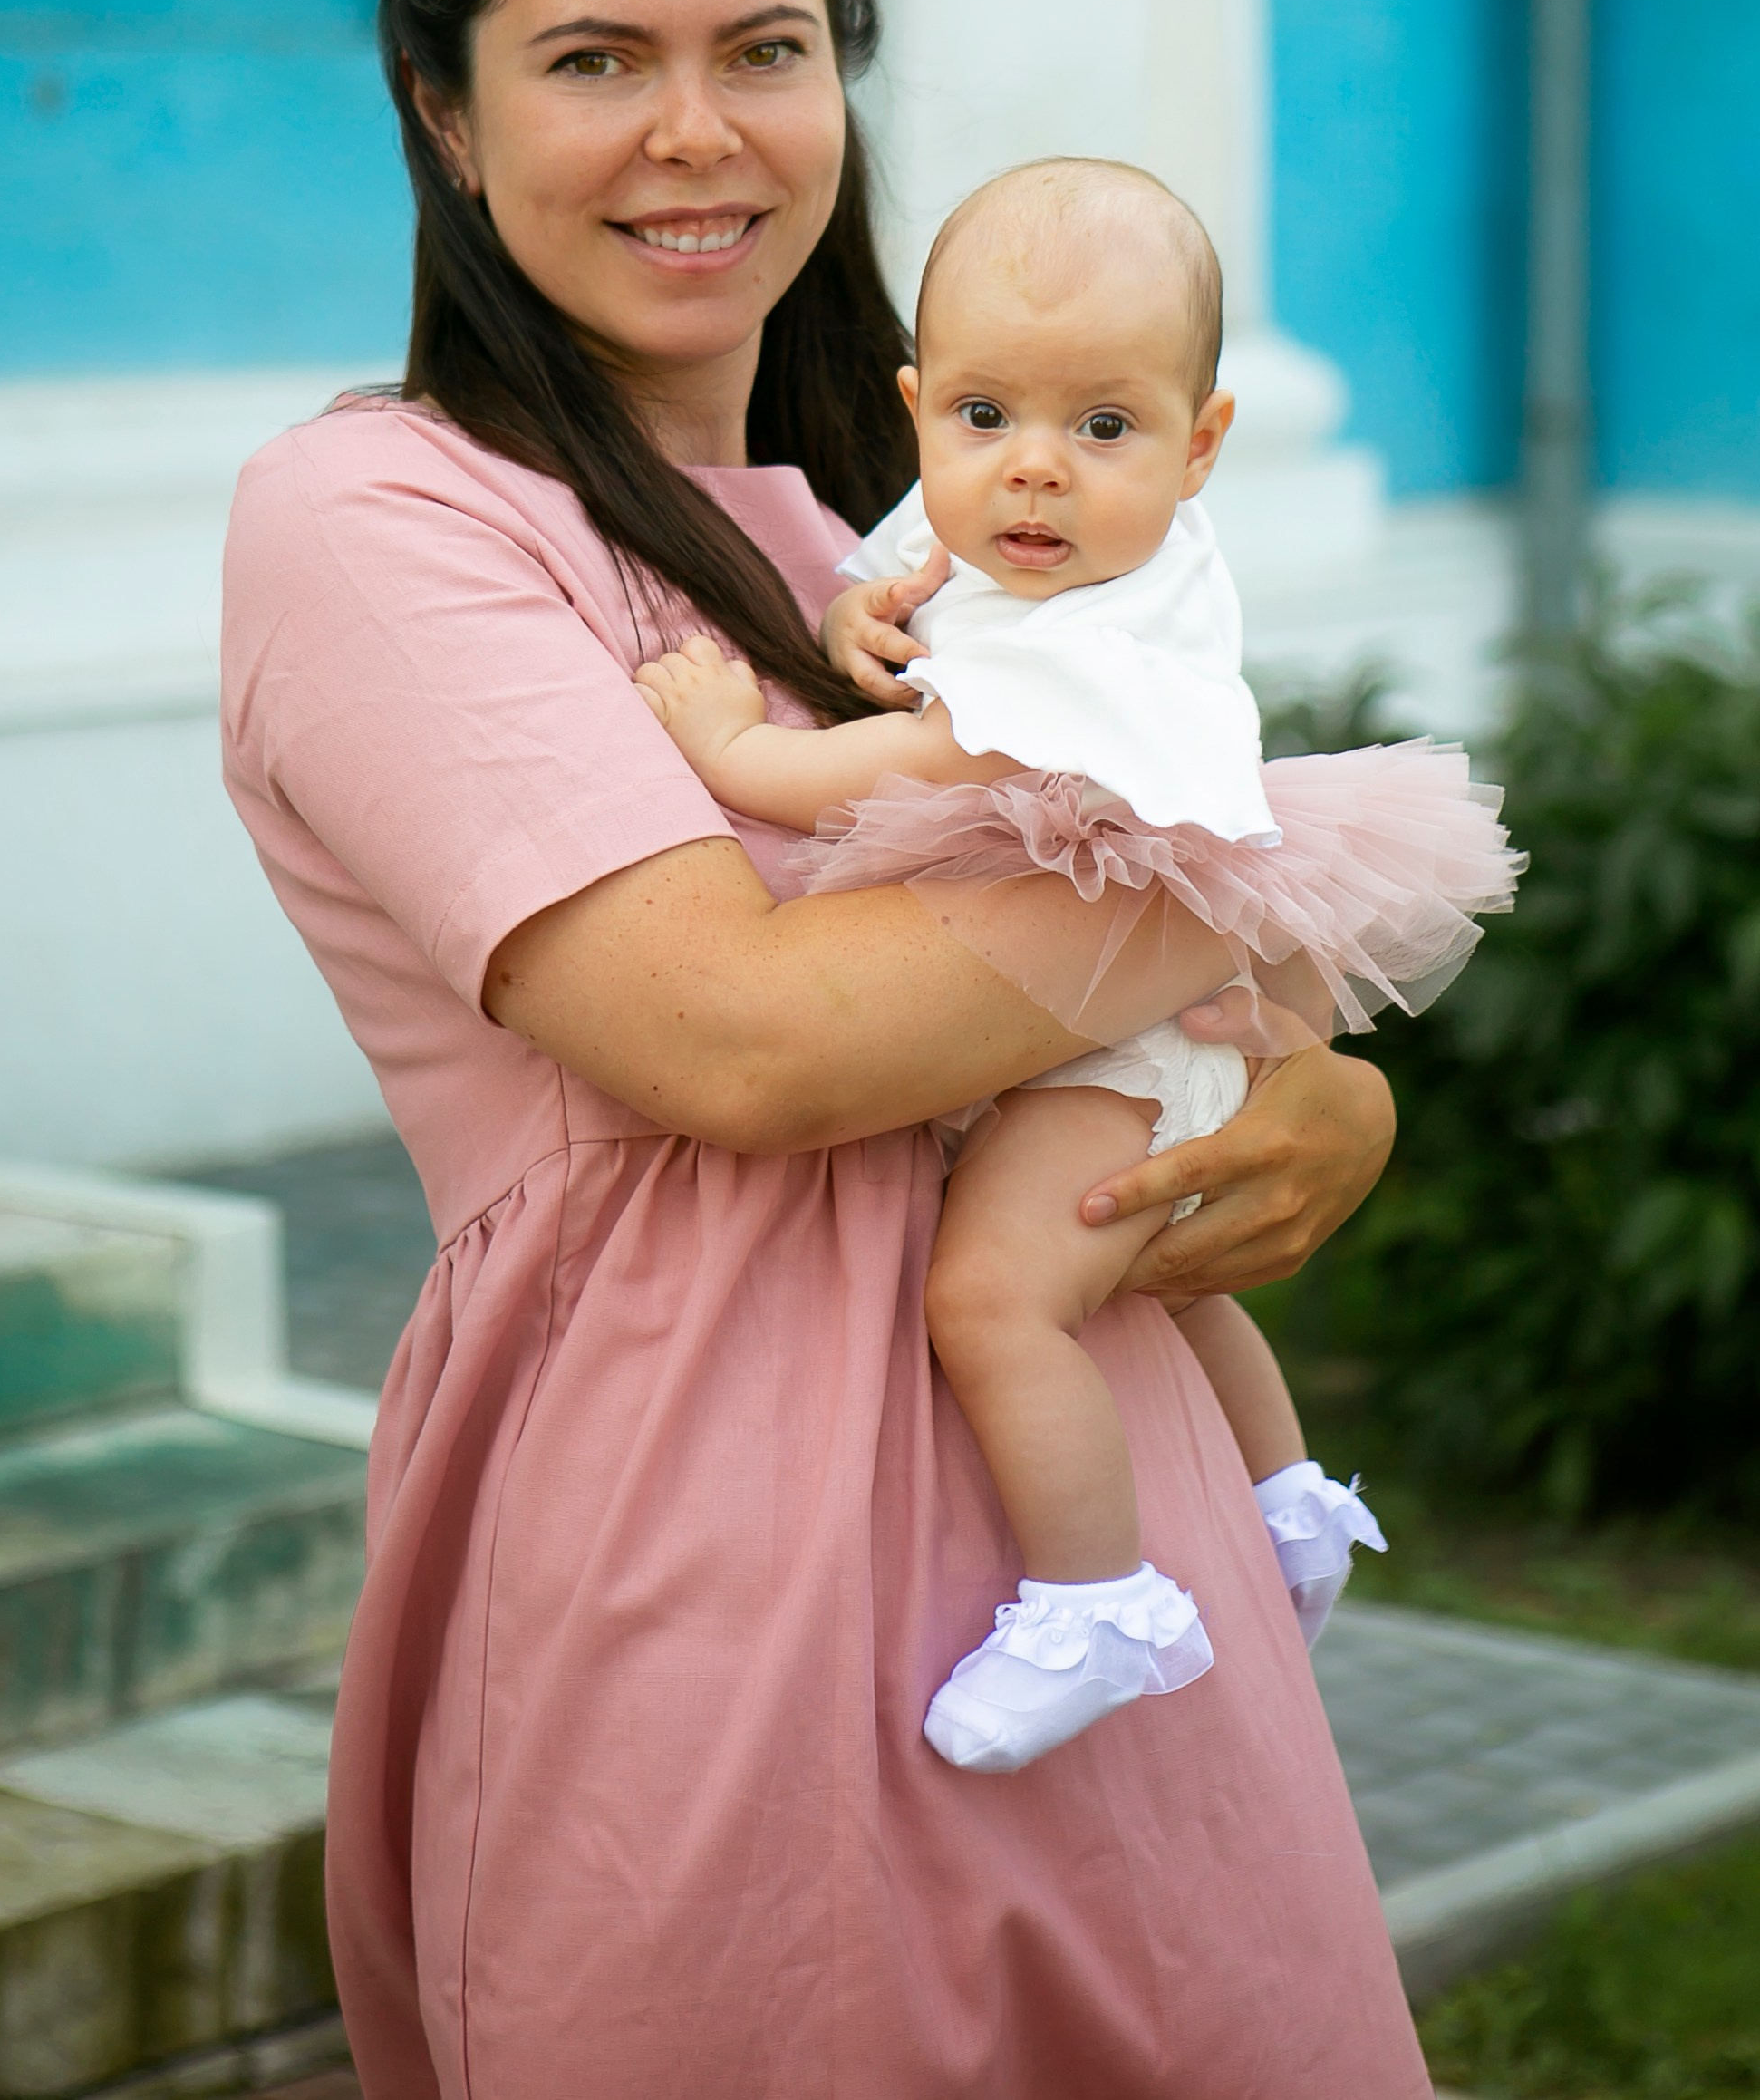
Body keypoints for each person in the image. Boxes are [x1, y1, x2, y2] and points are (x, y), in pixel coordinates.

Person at [221, 0, 1435, 2097]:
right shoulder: (382, 515)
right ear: (444, 110)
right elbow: (747, 1037)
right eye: (594, 58)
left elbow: (1138, 975)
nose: (700, 130)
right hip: (710, 1539)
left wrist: (1328, 1090)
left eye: (764, 50)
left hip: (1103, 1508)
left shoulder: (951, 514)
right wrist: (1238, 878)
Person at [635, 154, 1519, 1777]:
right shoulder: (1068, 546)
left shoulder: (1086, 642)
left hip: (1123, 1033)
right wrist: (855, 621)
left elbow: (871, 774)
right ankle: (1288, 1502)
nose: (1033, 475)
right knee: (1159, 1282)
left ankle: (1096, 1601)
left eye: (1102, 430)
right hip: (1123, 1000)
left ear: (1202, 444)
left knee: (996, 1293)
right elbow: (899, 581)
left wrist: (725, 742)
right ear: (920, 408)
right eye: (985, 419)